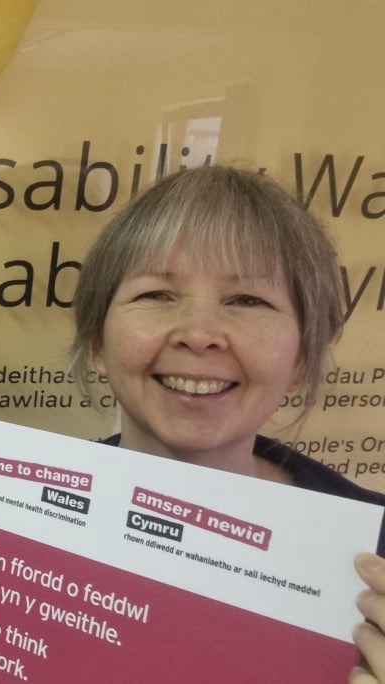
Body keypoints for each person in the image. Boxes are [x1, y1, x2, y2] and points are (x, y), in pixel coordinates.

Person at [69, 164, 385, 682]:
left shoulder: (375, 555)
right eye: (157, 295)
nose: (199, 334)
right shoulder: (9, 516)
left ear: (301, 360)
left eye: (247, 301)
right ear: (98, 342)